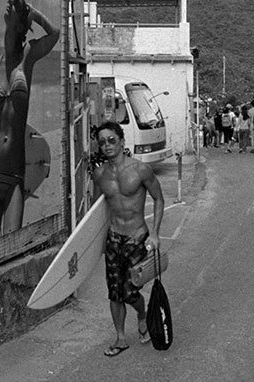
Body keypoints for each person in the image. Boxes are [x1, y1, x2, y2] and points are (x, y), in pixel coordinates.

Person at [0, 0, 60, 249]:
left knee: (12, 247)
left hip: (15, 171)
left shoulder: (28, 57)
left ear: (22, 24)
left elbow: (54, 34)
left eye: (16, 6)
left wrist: (33, 12)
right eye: (11, 4)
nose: (10, 5)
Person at [92, 121, 165, 357]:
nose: (107, 145)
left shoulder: (140, 170)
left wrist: (154, 233)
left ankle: (142, 315)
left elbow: (159, 199)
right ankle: (121, 338)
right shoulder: (99, 174)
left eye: (111, 140)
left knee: (130, 291)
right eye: (102, 142)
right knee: (114, 292)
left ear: (122, 141)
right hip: (114, 239)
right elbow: (97, 211)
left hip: (137, 237)